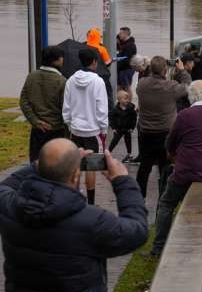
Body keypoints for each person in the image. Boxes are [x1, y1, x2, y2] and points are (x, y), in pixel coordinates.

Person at [0, 140, 147, 292]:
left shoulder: (9, 210)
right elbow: (137, 230)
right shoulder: (92, 222)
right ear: (75, 176)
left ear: (39, 168)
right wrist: (122, 181)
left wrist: (41, 166)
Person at [151, 81, 202, 256]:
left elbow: (170, 143)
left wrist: (174, 154)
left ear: (191, 96)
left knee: (166, 203)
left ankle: (158, 247)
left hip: (186, 172)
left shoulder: (185, 115)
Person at [135, 56, 190, 198]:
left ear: (150, 68)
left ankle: (140, 197)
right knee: (164, 168)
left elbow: (146, 78)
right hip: (166, 134)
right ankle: (163, 197)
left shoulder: (141, 84)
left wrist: (151, 68)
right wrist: (182, 71)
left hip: (145, 133)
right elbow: (187, 86)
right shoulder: (171, 87)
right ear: (165, 70)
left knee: (144, 166)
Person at [62, 48, 109, 205]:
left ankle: (73, 197)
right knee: (91, 166)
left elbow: (66, 107)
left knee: (75, 164)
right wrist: (103, 129)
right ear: (94, 61)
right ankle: (90, 202)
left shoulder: (70, 80)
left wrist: (70, 124)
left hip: (75, 129)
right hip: (93, 130)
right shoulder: (98, 81)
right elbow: (101, 108)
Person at [19, 45, 67, 161]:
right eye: (61, 57)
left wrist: (35, 121)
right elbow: (65, 108)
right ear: (56, 60)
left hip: (37, 130)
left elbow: (23, 101)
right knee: (55, 165)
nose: (63, 60)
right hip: (56, 130)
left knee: (36, 164)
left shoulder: (32, 76)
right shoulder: (62, 81)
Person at [109, 90, 138, 162]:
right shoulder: (115, 110)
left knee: (128, 141)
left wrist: (132, 127)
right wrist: (113, 128)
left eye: (128, 99)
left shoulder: (130, 109)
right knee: (115, 141)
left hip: (127, 129)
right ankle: (108, 153)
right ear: (119, 100)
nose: (127, 100)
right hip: (118, 129)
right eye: (125, 99)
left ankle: (129, 154)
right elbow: (111, 119)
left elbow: (134, 118)